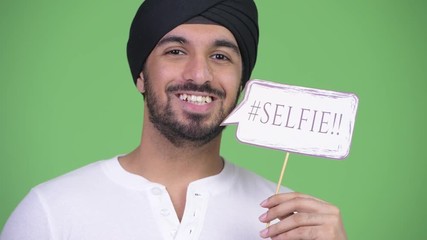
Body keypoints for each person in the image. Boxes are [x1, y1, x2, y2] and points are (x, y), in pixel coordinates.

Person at [0, 0, 347, 239]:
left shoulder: (291, 223)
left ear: (242, 83)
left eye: (221, 55)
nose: (199, 74)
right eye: (175, 51)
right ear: (140, 75)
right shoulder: (50, 211)